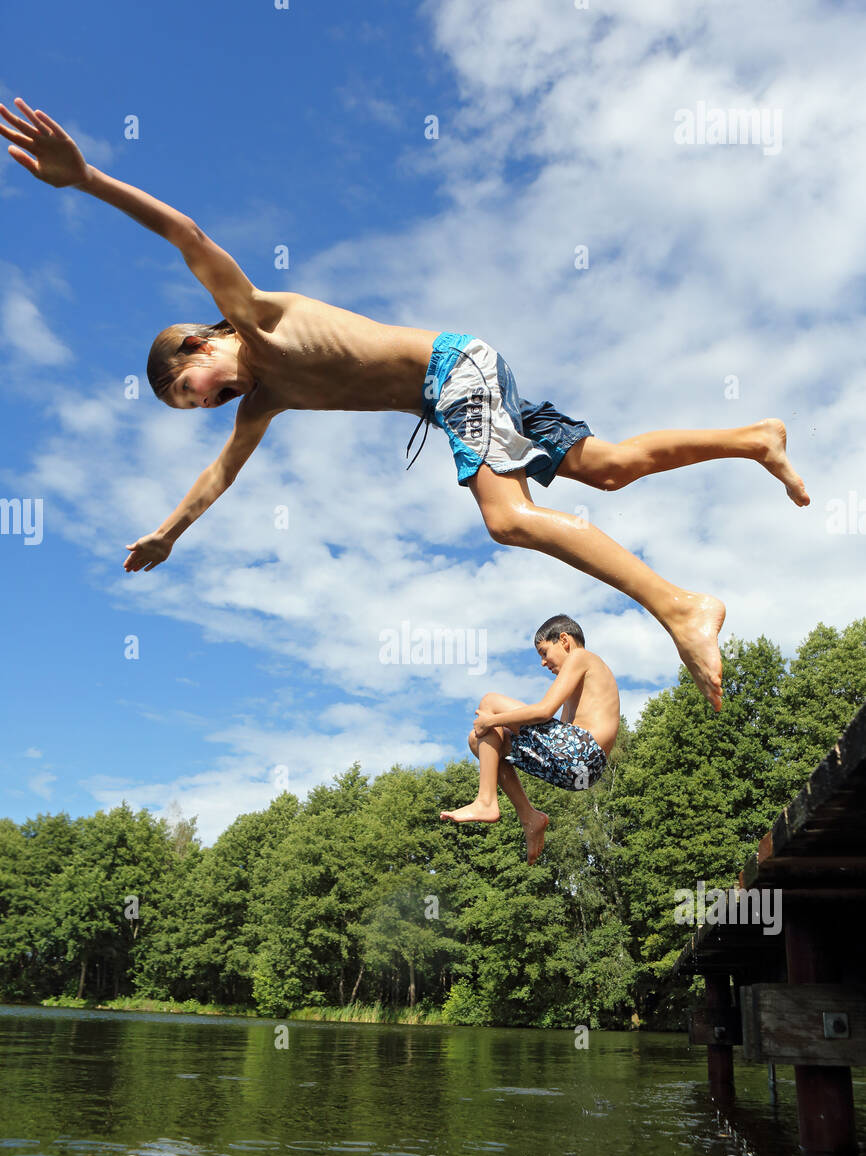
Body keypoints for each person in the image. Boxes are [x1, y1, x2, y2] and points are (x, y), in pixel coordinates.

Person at [1, 97, 811, 711]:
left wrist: (90, 179)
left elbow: (188, 235)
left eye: (193, 393)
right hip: (461, 385)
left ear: (197, 344)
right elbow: (221, 476)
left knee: (505, 518)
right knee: (605, 468)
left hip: (452, 372)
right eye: (196, 411)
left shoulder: (253, 316)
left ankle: (681, 606)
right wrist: (170, 534)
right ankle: (755, 438)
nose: (209, 407)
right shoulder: (264, 401)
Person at [440, 615, 620, 864]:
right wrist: (495, 728)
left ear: (565, 640)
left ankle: (485, 801)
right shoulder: (576, 691)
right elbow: (554, 732)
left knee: (490, 702)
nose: (543, 663)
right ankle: (530, 817)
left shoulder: (581, 657)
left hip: (582, 753)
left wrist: (492, 719)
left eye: (544, 652)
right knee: (481, 742)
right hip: (579, 774)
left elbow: (545, 711)